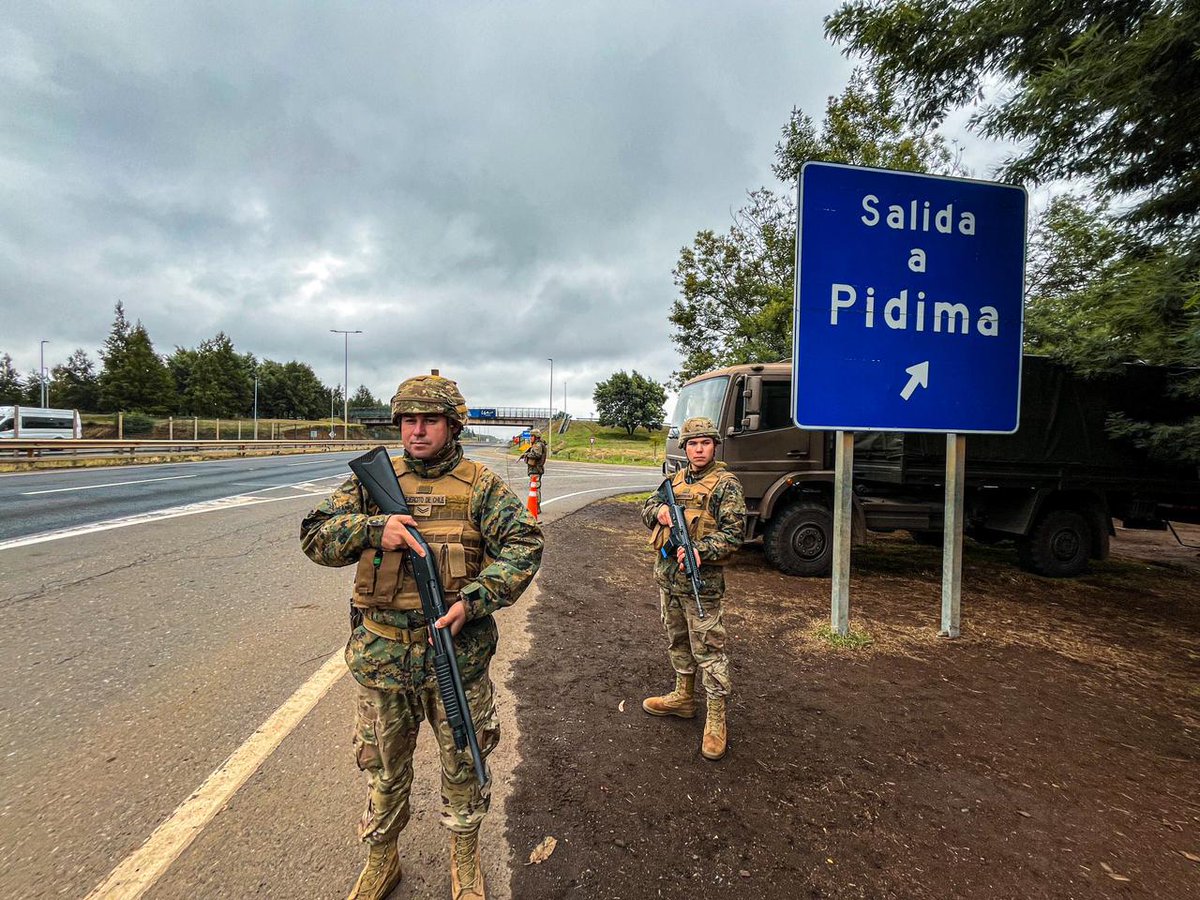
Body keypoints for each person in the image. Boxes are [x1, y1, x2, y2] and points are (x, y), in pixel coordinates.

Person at [301, 372, 543, 900]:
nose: (417, 430)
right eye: (408, 420)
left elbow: (525, 545)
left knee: (465, 762)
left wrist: (472, 600)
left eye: (429, 419)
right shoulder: (372, 483)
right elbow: (315, 536)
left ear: (452, 424)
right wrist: (372, 529)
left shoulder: (480, 485)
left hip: (455, 658)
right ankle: (381, 860)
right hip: (383, 658)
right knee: (383, 768)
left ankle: (464, 861)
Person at [640, 416, 745, 760]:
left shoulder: (726, 485)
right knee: (677, 639)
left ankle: (716, 718)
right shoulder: (674, 480)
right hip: (669, 579)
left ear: (715, 445)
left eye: (705, 443)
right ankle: (683, 697)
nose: (699, 449)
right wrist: (661, 515)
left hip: (703, 584)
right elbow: (647, 508)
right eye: (692, 444)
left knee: (710, 649)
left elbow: (734, 535)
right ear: (684, 448)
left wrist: (701, 550)